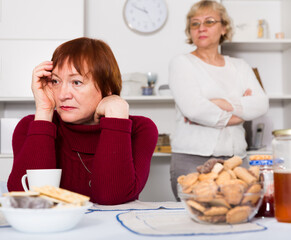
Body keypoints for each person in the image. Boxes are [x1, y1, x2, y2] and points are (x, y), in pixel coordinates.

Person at [7, 37, 158, 205]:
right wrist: (44, 111)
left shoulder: (140, 129)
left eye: (76, 82)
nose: (63, 94)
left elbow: (111, 197)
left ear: (107, 87)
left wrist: (116, 113)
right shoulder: (30, 126)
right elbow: (27, 200)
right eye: (56, 81)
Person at [168, 0, 269, 200]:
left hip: (237, 161)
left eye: (209, 21)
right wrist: (240, 113)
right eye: (195, 23)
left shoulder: (240, 66)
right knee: (197, 218)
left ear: (224, 28)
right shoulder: (182, 63)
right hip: (191, 159)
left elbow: (261, 104)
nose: (201, 28)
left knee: (239, 216)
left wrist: (221, 104)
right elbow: (194, 109)